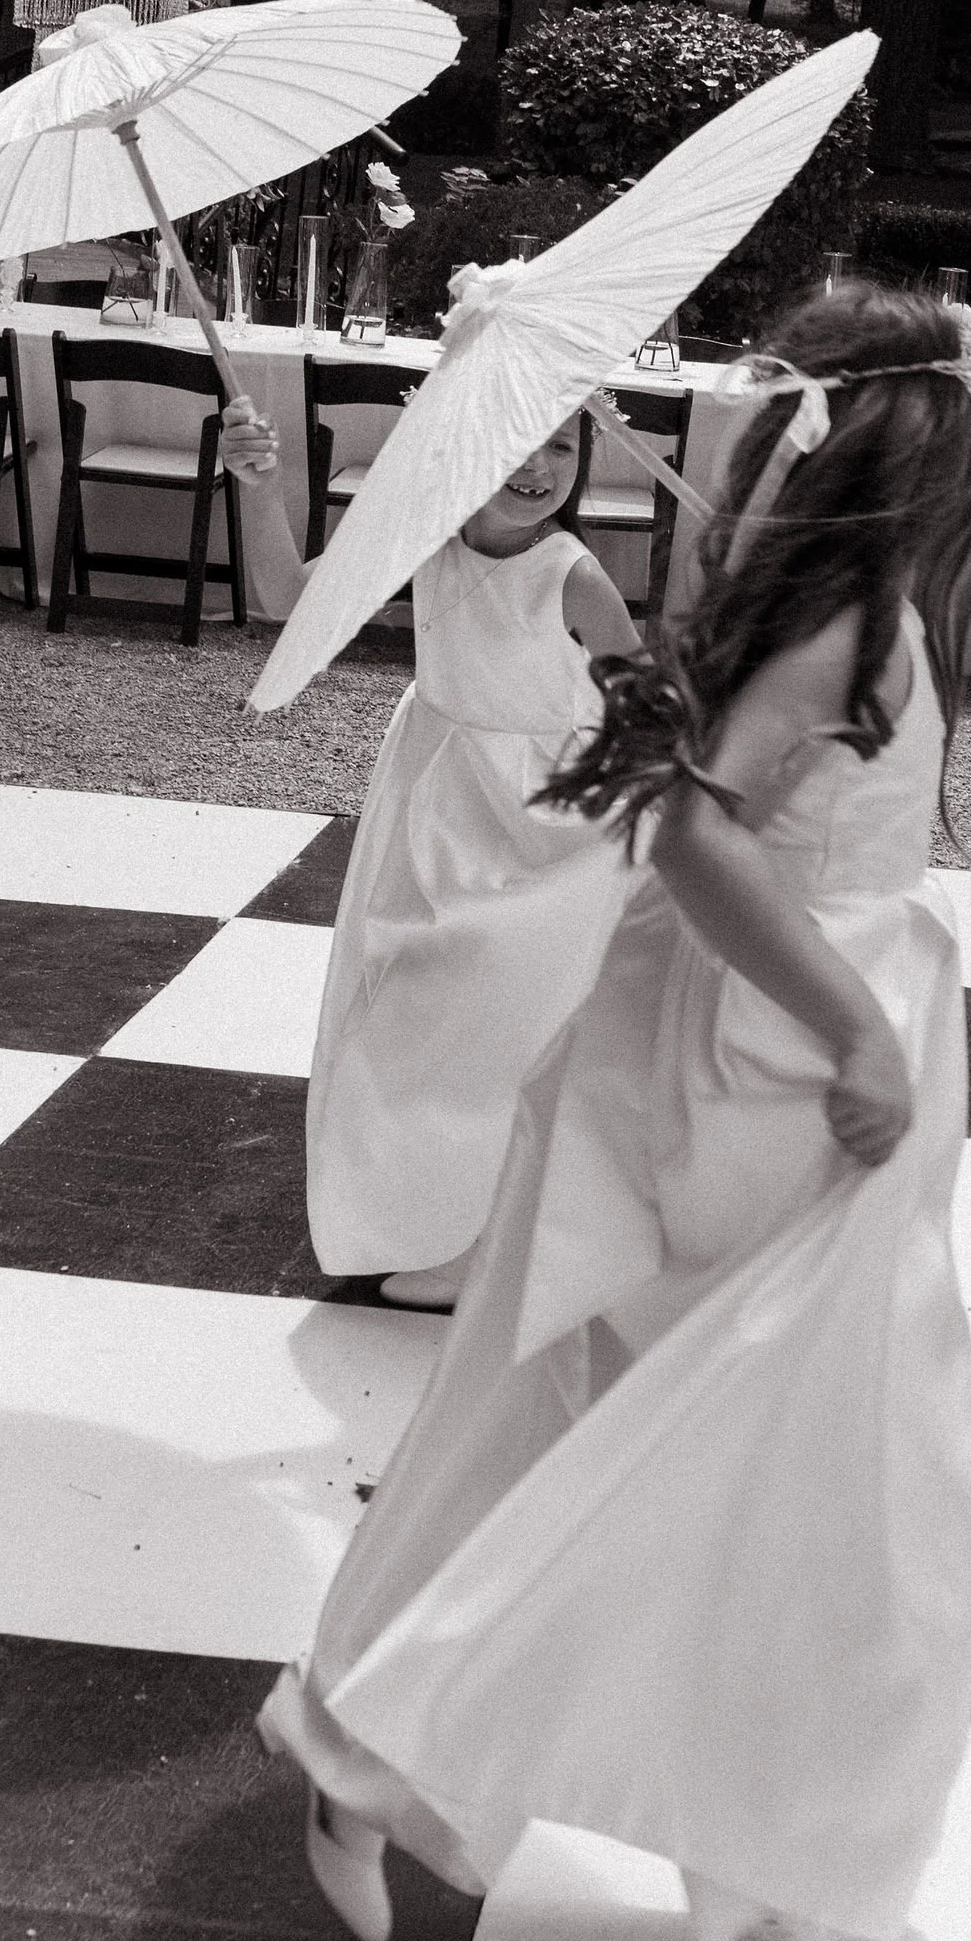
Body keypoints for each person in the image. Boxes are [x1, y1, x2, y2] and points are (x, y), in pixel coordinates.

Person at [255, 280, 971, 1941]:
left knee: (680, 1453)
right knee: (801, 1500)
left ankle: (410, 1753)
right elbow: (693, 827)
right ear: (924, 462)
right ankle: (782, 1936)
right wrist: (858, 1027)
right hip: (776, 1077)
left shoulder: (809, 604)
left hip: (746, 1058)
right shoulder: (846, 624)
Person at [221, 384, 639, 1308]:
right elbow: (285, 596)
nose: (538, 468)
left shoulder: (573, 576)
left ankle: (493, 1242)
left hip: (554, 833)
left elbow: (643, 707)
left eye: (563, 448)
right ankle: (431, 1214)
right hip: (445, 807)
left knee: (504, 1030)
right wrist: (260, 486)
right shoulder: (427, 538)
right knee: (413, 1013)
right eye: (517, 440)